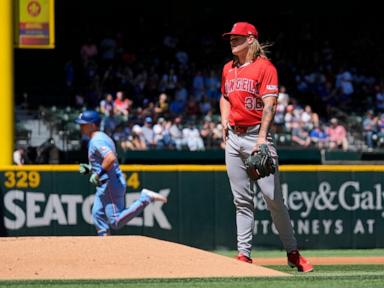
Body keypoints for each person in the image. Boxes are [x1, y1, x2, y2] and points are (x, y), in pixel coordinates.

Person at [220, 22, 313, 272]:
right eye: (230, 38)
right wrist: (224, 121)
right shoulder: (228, 69)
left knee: (273, 199)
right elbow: (224, 97)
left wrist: (262, 138)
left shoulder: (265, 68)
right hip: (234, 139)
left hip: (255, 137)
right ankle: (244, 255)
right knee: (241, 201)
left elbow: (270, 105)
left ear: (251, 39)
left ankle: (292, 252)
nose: (232, 41)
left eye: (237, 37)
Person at [75, 110, 167, 236]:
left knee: (116, 221)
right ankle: (105, 244)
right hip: (110, 181)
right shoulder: (103, 137)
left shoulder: (96, 140)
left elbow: (111, 158)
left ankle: (145, 199)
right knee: (97, 215)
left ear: (92, 125)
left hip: (109, 183)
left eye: (83, 124)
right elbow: (108, 160)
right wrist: (91, 168)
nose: (81, 127)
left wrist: (97, 173)